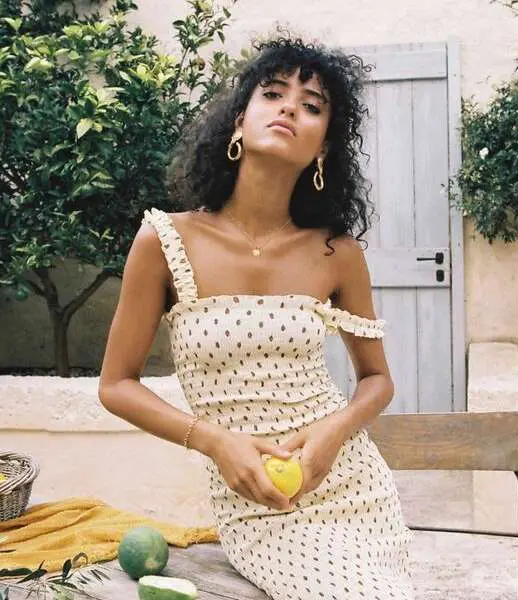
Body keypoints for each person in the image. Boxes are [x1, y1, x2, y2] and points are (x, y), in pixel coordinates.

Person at [99, 35, 414, 600]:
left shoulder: (336, 252)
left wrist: (333, 432)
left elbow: (377, 380)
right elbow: (116, 385)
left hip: (350, 486)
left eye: (312, 105)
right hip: (254, 505)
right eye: (272, 93)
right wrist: (216, 443)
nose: (289, 108)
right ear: (239, 122)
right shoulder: (165, 241)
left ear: (323, 147)